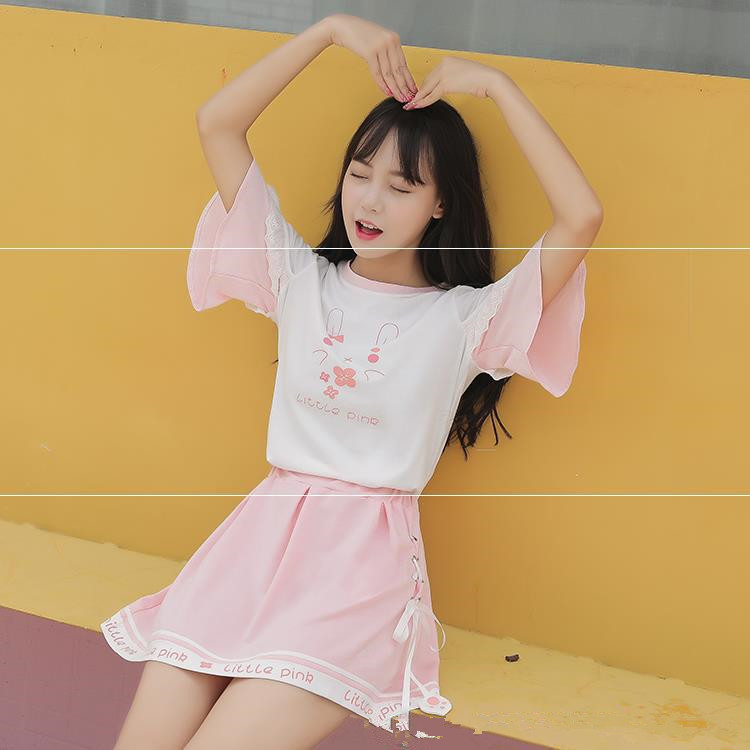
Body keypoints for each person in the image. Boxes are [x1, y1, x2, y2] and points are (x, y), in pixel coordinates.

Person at [101, 12, 599, 750]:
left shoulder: (466, 320)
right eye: (360, 175)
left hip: (355, 585)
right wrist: (329, 30)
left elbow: (581, 216)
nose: (369, 201)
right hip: (248, 557)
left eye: (400, 186)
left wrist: (497, 85)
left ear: (440, 205)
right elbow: (218, 125)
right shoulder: (300, 279)